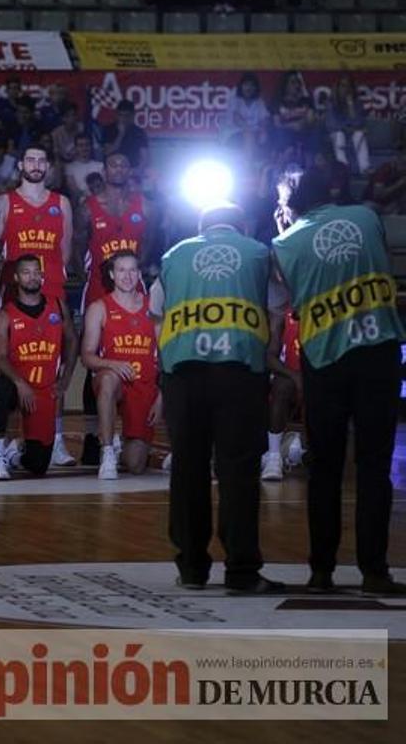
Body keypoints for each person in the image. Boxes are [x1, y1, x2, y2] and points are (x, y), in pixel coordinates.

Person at [271, 169, 406, 595]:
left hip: (326, 361)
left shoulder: (285, 242)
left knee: (325, 468)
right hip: (378, 353)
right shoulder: (367, 217)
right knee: (374, 465)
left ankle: (321, 571)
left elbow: (294, 294)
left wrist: (288, 230)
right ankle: (374, 571)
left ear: (290, 204)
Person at [152, 201, 281, 593]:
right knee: (238, 472)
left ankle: (191, 568)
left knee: (187, 470)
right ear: (241, 227)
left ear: (200, 227)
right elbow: (278, 309)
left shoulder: (174, 256)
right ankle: (241, 571)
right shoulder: (257, 253)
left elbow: (157, 312)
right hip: (238, 372)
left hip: (184, 373)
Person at [73, 152, 155, 464]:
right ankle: (93, 439)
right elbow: (77, 246)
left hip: (133, 284)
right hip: (97, 286)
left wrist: (135, 269)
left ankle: (135, 428)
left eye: (123, 164)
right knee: (93, 362)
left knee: (141, 355)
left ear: (129, 169)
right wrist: (85, 275)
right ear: (104, 170)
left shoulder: (144, 205)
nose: (118, 169)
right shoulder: (88, 207)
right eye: (113, 164)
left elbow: (151, 241)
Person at [0, 254, 77, 479]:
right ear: (17, 278)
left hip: (44, 389)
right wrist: (20, 383)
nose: (32, 277)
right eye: (26, 273)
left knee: (38, 466)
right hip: (18, 386)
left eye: (37, 272)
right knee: (0, 387)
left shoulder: (57, 306)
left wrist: (65, 379)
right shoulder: (6, 314)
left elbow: (72, 340)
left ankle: (14, 456)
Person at [80, 250, 161, 481]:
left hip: (144, 384)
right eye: (122, 270)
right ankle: (107, 452)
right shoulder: (99, 308)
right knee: (107, 378)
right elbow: (87, 357)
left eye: (132, 270)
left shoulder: (153, 308)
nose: (127, 276)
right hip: (114, 380)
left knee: (135, 465)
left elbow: (167, 356)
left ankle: (125, 446)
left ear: (139, 274)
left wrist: (161, 395)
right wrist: (112, 364)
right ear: (112, 275)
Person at [0, 145, 72, 307]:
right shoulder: (4, 202)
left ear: (47, 166)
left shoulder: (62, 203)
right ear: (20, 165)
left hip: (52, 286)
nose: (36, 165)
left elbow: (65, 249)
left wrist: (54, 274)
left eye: (41, 161)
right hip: (15, 288)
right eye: (30, 160)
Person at [261, 307, 305, 481]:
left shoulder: (323, 313)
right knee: (282, 386)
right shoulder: (282, 318)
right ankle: (274, 456)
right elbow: (269, 357)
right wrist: (295, 376)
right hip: (289, 377)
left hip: (317, 377)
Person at [325, 74, 371, 176]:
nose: (345, 89)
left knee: (359, 134)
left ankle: (365, 167)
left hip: (352, 133)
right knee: (339, 135)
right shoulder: (331, 103)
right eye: (343, 85)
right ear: (337, 87)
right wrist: (347, 128)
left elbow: (359, 123)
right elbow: (332, 124)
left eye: (348, 86)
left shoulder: (357, 103)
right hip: (337, 134)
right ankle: (343, 168)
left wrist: (351, 105)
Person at [222, 72, 269, 152]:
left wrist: (263, 130)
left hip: (254, 133)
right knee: (248, 136)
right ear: (241, 86)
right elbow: (237, 118)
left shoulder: (259, 102)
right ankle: (247, 160)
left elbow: (264, 119)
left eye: (252, 85)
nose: (249, 88)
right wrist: (249, 130)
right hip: (234, 133)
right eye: (246, 85)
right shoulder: (235, 100)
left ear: (255, 88)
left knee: (264, 137)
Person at [101, 99, 149, 173]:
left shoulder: (139, 132)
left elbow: (145, 158)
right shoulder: (108, 129)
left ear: (132, 116)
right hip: (112, 172)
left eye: (127, 115)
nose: (123, 118)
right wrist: (121, 134)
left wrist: (137, 171)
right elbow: (107, 152)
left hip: (132, 171)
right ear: (116, 115)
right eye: (121, 115)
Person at [365, 139, 406, 216]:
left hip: (392, 204)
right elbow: (378, 194)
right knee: (369, 207)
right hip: (374, 203)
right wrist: (399, 184)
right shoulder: (384, 170)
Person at [63, 133, 104, 204]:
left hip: (100, 202)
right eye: (81, 145)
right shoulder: (69, 167)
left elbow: (104, 188)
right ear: (76, 148)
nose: (84, 148)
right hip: (81, 204)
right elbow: (74, 191)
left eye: (87, 145)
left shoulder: (100, 165)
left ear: (91, 146)